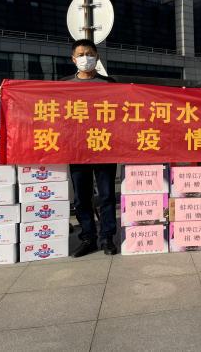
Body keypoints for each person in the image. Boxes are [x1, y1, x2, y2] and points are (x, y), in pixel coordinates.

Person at [61, 39, 118, 257]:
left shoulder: (109, 84)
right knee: (81, 198)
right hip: (76, 148)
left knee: (106, 195)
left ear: (97, 57)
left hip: (104, 146)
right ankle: (88, 238)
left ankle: (107, 237)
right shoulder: (63, 85)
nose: (86, 58)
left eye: (90, 54)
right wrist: (7, 94)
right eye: (81, 54)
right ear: (73, 59)